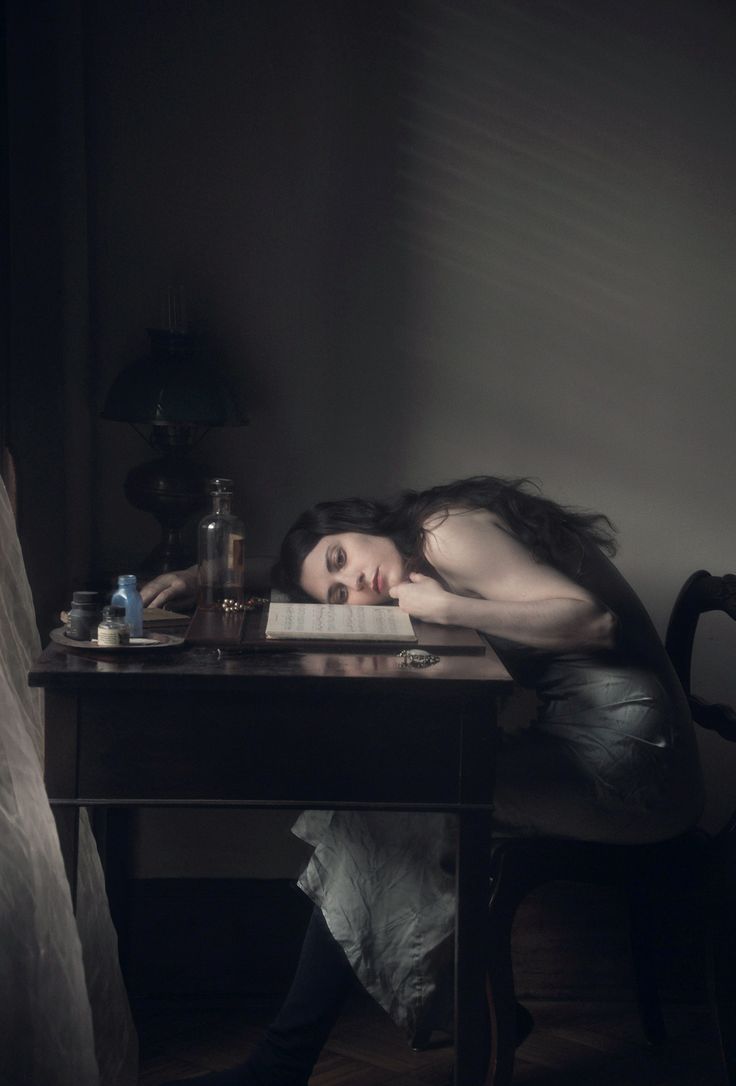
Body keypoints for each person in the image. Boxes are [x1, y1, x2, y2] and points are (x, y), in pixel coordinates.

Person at [144, 475, 705, 1086]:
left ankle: (288, 1064)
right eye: (336, 593)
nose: (354, 581)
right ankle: (461, 1019)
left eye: (343, 558)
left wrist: (447, 608)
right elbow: (319, 566)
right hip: (590, 738)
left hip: (633, 761)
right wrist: (209, 576)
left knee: (392, 806)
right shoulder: (418, 537)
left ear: (362, 519)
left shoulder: (446, 534)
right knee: (381, 802)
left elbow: (593, 623)